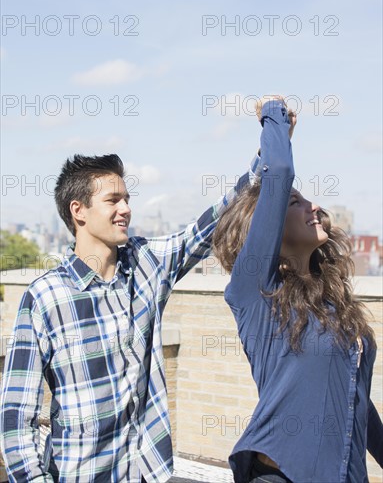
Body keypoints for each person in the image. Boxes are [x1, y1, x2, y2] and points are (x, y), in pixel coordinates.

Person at [0, 150, 261, 483]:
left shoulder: (146, 264)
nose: (126, 209)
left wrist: (267, 155)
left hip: (144, 473)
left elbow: (208, 226)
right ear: (78, 211)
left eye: (126, 199)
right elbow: (15, 417)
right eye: (113, 200)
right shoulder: (44, 298)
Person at [213, 96, 383, 483]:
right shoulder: (255, 292)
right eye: (294, 201)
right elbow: (280, 172)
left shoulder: (330, 301)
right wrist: (274, 116)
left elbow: (353, 392)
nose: (314, 207)